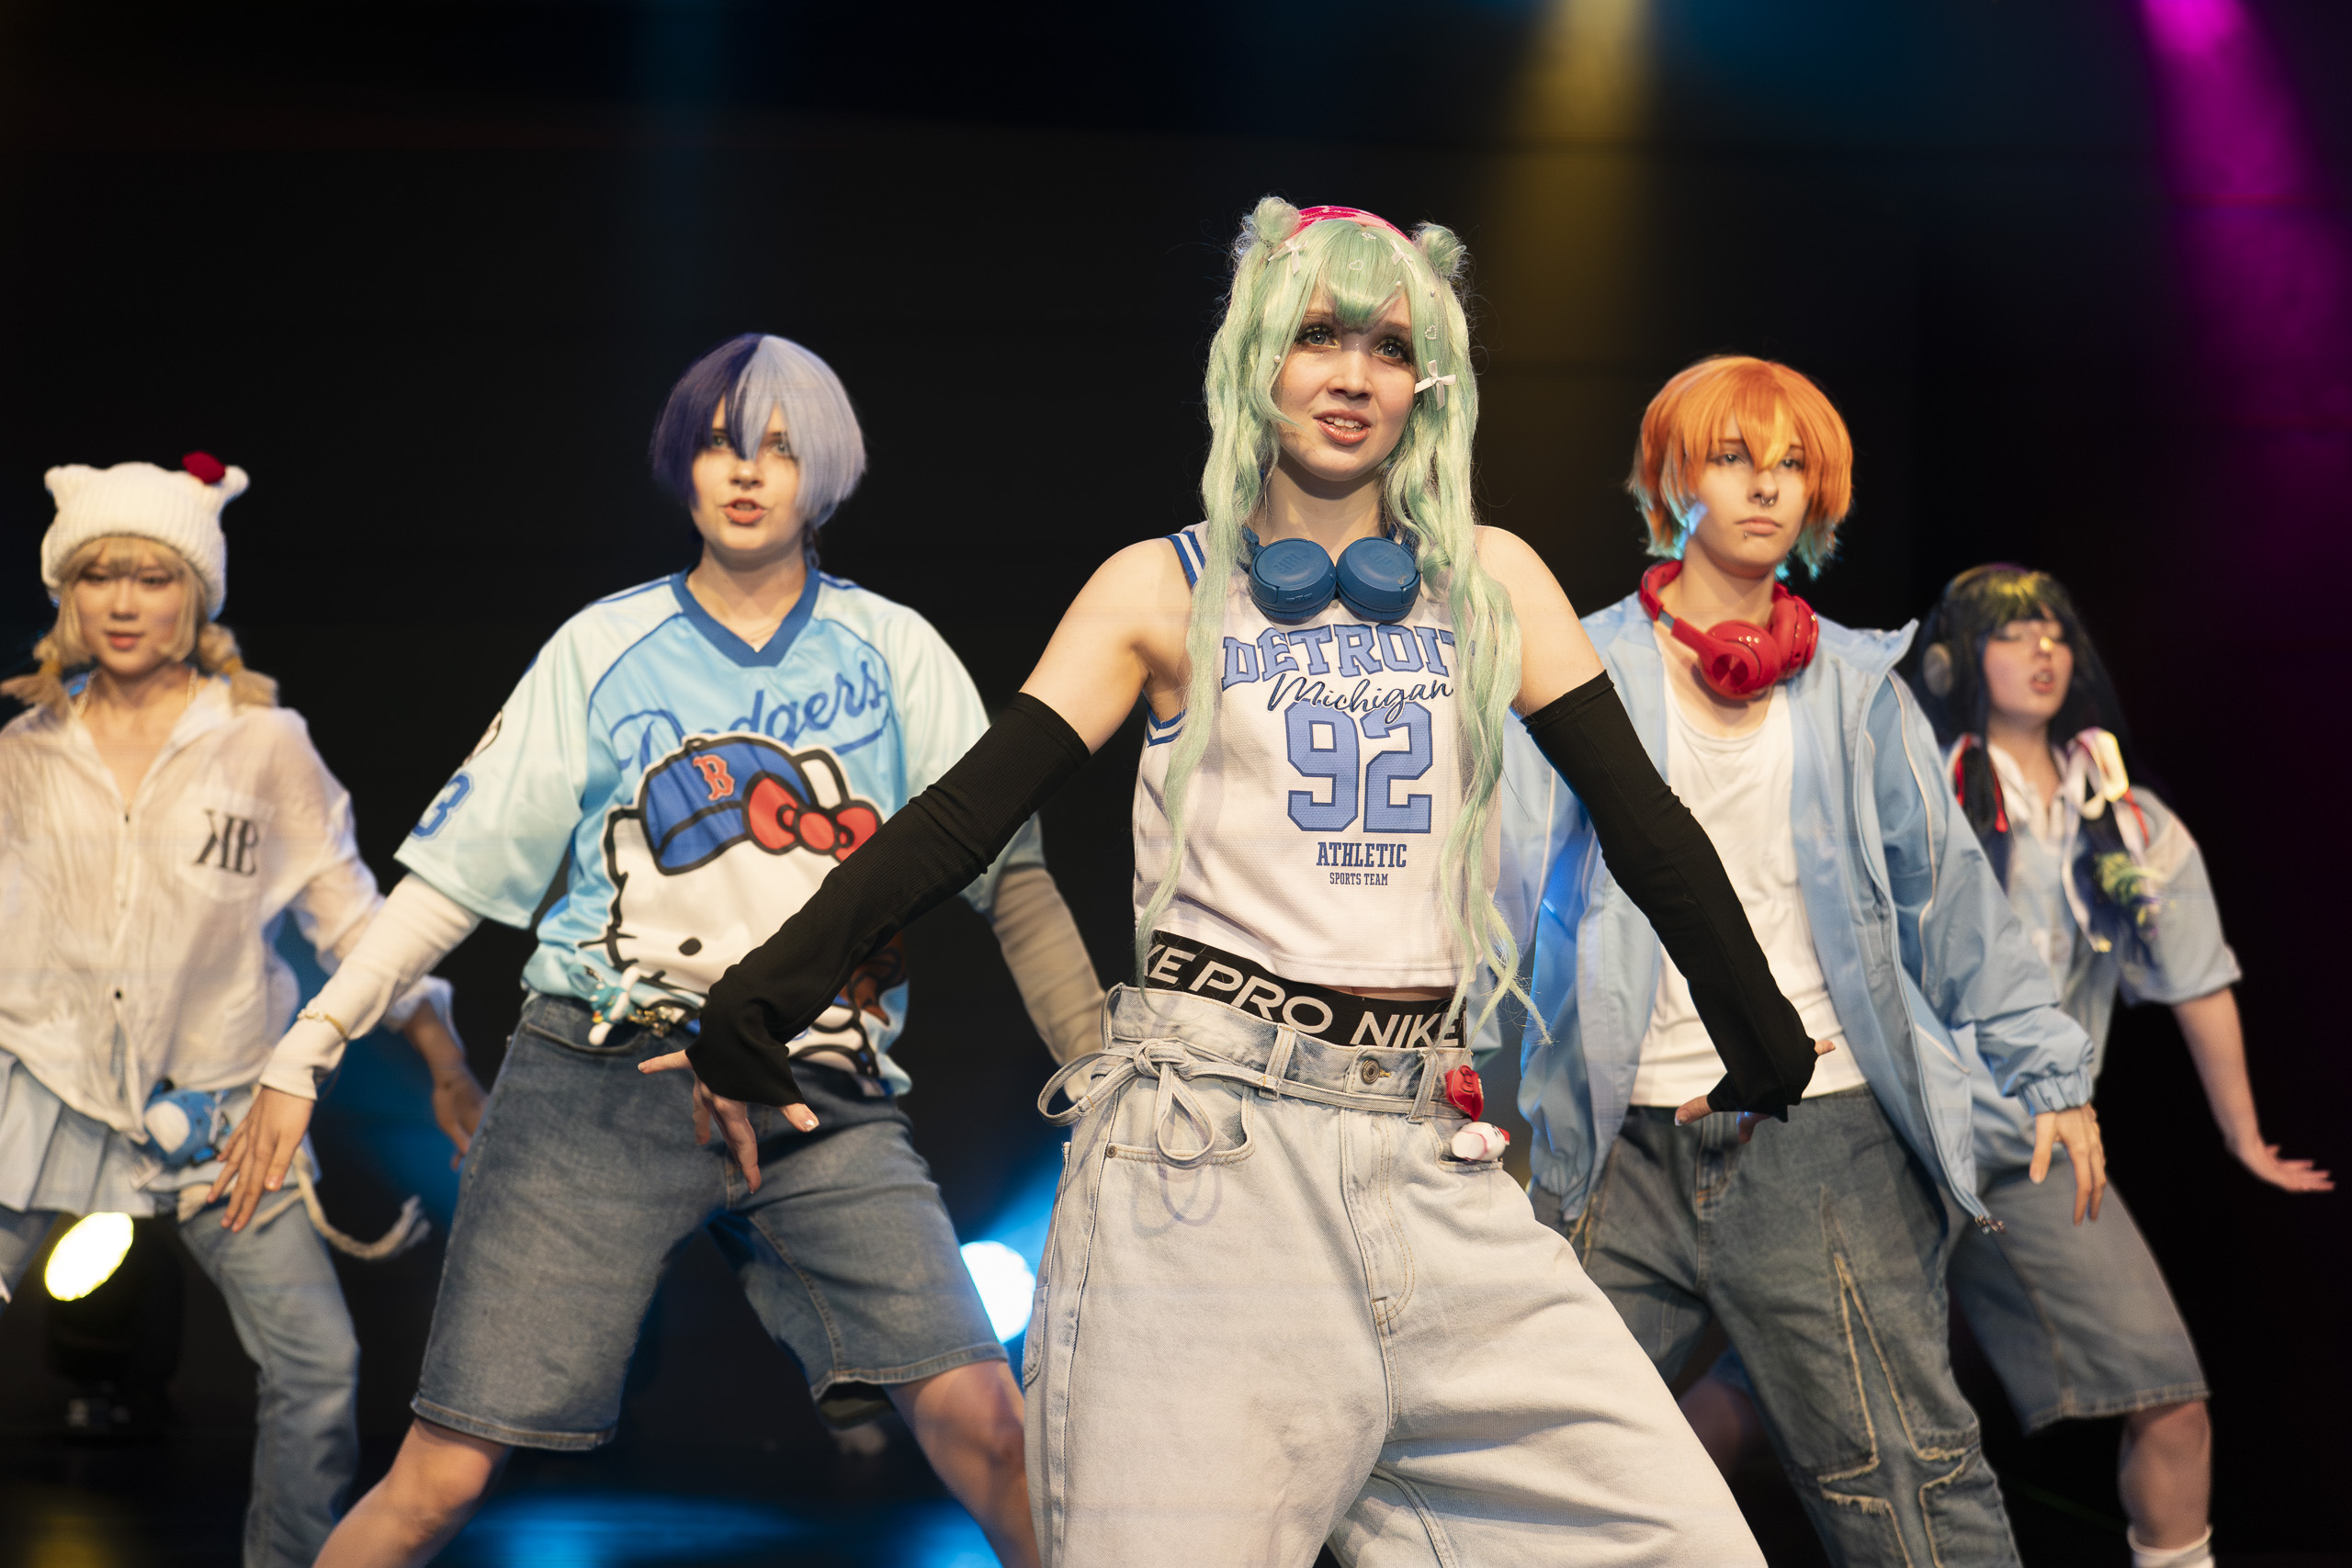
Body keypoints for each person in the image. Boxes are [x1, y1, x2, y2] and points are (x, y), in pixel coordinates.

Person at [672, 200, 1846, 1566]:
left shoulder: (1494, 582)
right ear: (1254, 359)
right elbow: (965, 816)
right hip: (1207, 1163)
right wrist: (765, 991)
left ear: (1428, 384)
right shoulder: (1157, 588)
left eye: (1390, 347)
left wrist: (1758, 1019)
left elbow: (1643, 821)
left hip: (1434, 1160)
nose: (1353, 374)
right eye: (1316, 336)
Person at [272, 333, 1102, 1568]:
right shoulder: (602, 647)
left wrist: (1098, 1072)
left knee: (993, 1432)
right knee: (439, 1478)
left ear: (828, 472)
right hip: (599, 1080)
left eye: (781, 447)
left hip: (815, 1092)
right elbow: (449, 882)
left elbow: (1013, 882)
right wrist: (309, 1043)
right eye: (720, 443)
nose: (748, 471)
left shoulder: (896, 651)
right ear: (683, 463)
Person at [1492, 356, 2108, 1567]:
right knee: (1522, 1479)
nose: (1766, 486)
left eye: (1791, 465)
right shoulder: (1579, 663)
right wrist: (1450, 1078)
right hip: (1618, 1142)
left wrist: (2048, 1068)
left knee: (1908, 1489)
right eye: (1734, 459)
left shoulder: (1855, 685)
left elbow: (1946, 897)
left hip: (1821, 1137)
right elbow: (1498, 891)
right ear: (1673, 479)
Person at [1685, 565, 2330, 1568]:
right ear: (1955, 661)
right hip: (1886, 1138)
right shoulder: (1910, 784)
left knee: (2168, 1395)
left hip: (2032, 1145)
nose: (2042, 651)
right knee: (1759, 1398)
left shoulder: (2126, 820)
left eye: (2056, 634)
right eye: (2013, 633)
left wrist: (2242, 1135)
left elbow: (2197, 976)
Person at [0, 456, 483, 1568]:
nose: (124, 603)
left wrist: (444, 1059)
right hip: (43, 1091)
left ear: (197, 595)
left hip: (217, 1113)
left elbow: (353, 922)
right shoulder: (26, 753)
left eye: (153, 576)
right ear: (68, 596)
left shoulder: (264, 744)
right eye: (99, 576)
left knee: (316, 1364)